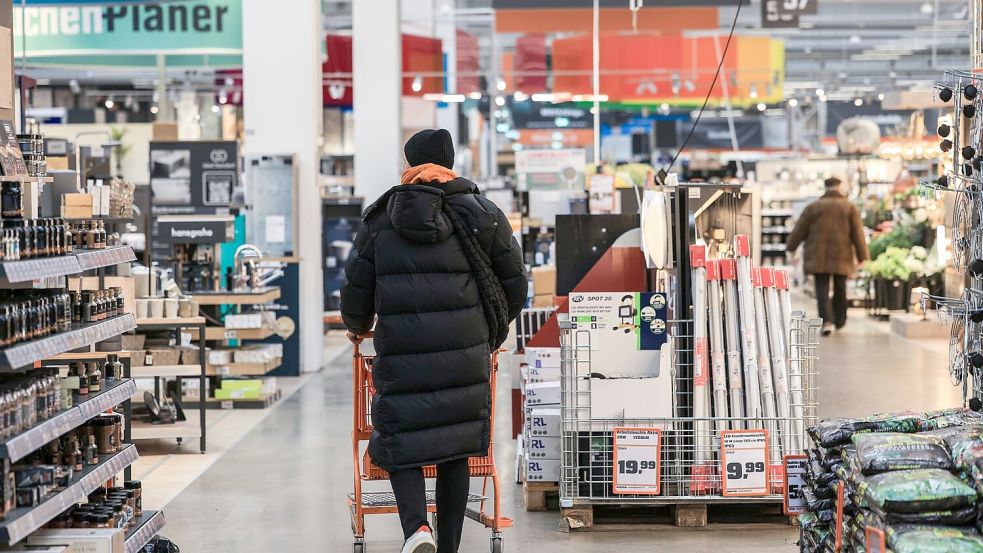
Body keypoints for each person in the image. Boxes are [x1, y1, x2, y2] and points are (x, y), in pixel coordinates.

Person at [340, 128, 527, 553]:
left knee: (400, 440)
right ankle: (449, 547)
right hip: (465, 352)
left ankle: (416, 531)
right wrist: (491, 332)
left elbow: (356, 287)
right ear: (450, 161)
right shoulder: (484, 213)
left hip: (402, 351)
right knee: (455, 448)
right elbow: (516, 284)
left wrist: (356, 322)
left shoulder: (381, 218)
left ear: (410, 164)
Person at [786, 176, 868, 336]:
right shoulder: (849, 207)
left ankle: (827, 321)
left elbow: (799, 230)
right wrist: (862, 255)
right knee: (840, 286)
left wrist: (791, 247)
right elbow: (858, 234)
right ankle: (840, 320)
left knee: (821, 287)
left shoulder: (814, 207)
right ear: (839, 187)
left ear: (825, 188)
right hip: (842, 254)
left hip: (818, 254)